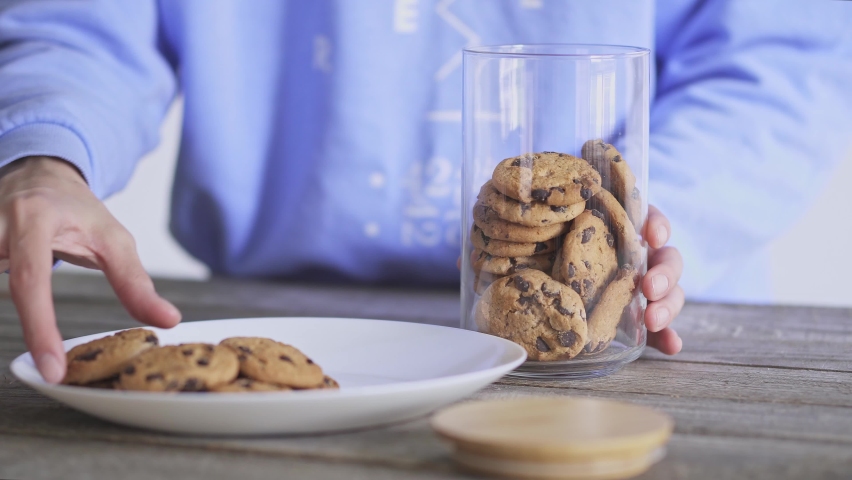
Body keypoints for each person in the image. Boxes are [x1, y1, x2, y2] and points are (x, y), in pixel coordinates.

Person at [0, 1, 849, 384]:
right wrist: (47, 154)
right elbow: (83, 29)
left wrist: (658, 219)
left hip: (637, 349)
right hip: (274, 311)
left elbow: (776, 58)